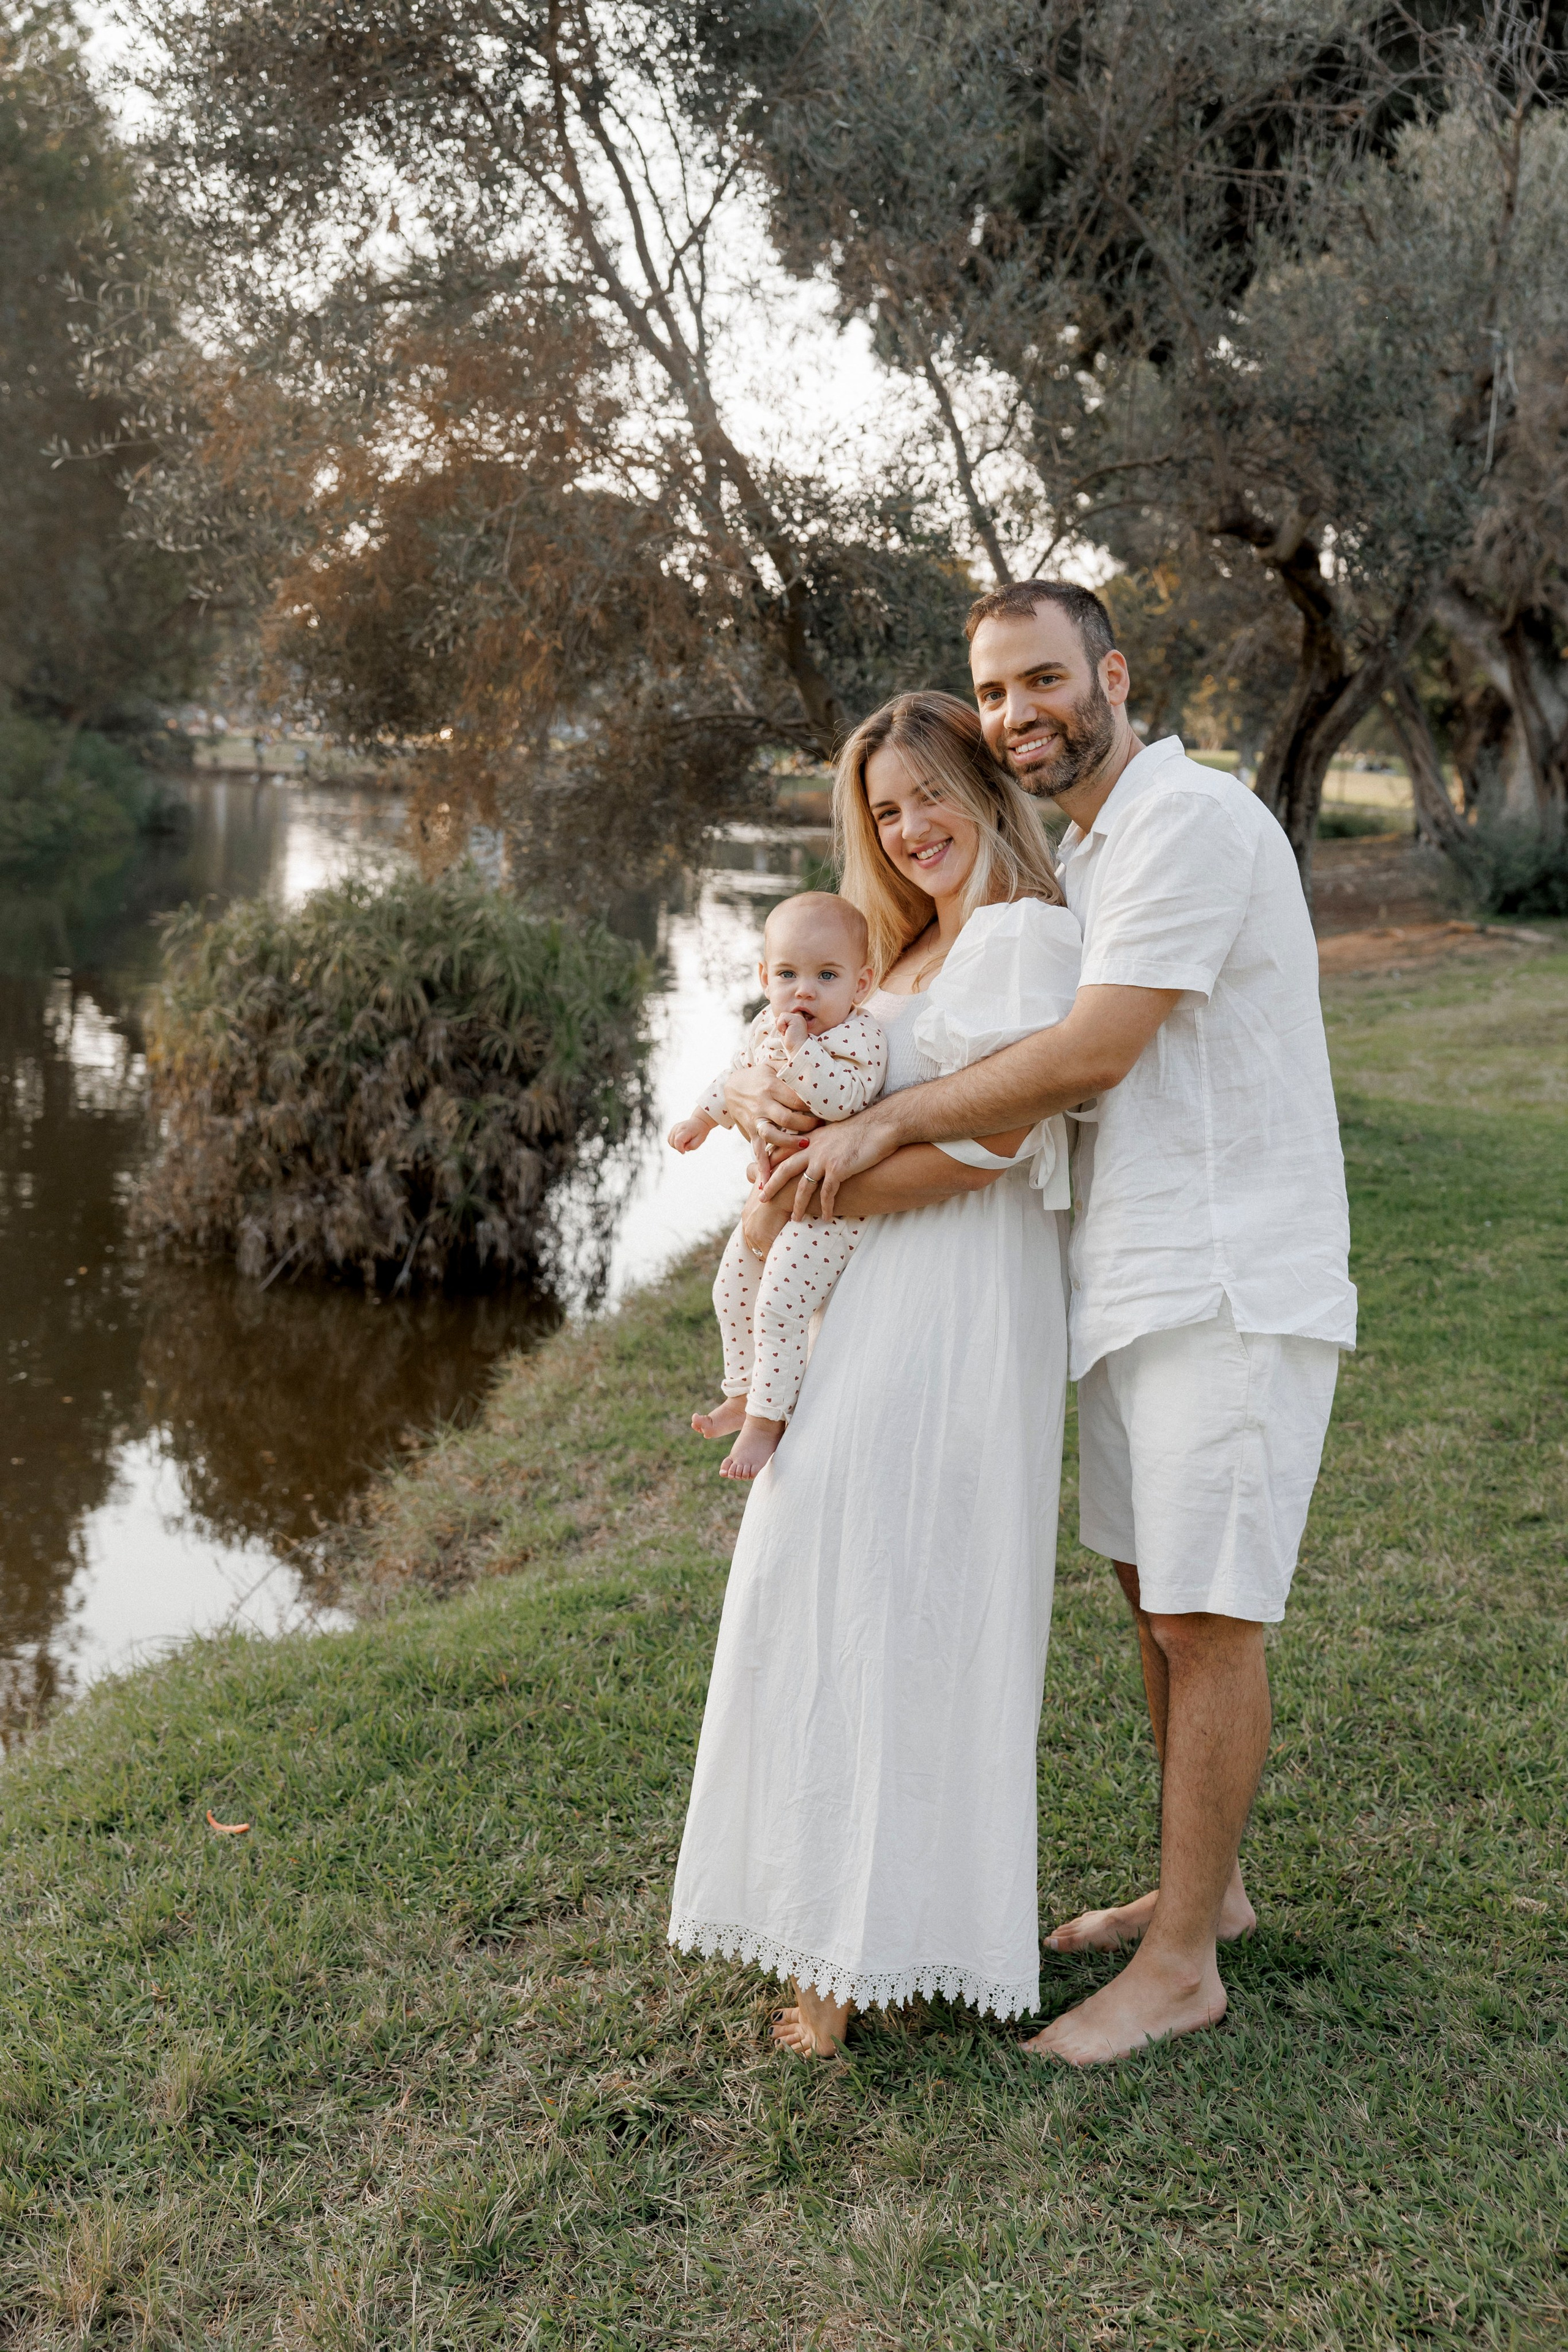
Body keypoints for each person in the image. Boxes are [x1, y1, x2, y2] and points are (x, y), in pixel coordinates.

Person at [760, 581, 1356, 2065]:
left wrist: (883, 1120)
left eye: (1042, 679)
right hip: (1129, 1275)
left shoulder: (1187, 822)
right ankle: (1204, 1896)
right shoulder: (1090, 851)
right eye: (994, 691)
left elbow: (1086, 1053)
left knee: (1205, 1617)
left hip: (1226, 1271)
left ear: (1111, 673)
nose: (1018, 711)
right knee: (1155, 1599)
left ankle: (1178, 1968)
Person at [668, 692, 1082, 2056]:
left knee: (895, 1592)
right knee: (835, 1581)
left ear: (985, 787)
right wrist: (755, 1111)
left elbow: (991, 1149)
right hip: (876, 1293)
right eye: (883, 810)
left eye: (928, 794)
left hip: (957, 1296)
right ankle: (846, 1933)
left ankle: (849, 1961)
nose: (908, 829)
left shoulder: (1022, 939)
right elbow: (813, 1086)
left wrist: (805, 1188)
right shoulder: (894, 949)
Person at [669, 892, 887, 1480]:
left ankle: (768, 1422)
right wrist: (702, 1118)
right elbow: (735, 1078)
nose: (804, 992)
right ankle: (742, 1392)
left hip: (829, 1209)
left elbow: (845, 1102)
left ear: (861, 984)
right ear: (765, 978)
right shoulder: (765, 1024)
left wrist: (800, 1054)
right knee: (729, 1291)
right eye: (788, 975)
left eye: (826, 976)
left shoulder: (859, 1039)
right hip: (770, 1195)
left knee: (779, 1305)